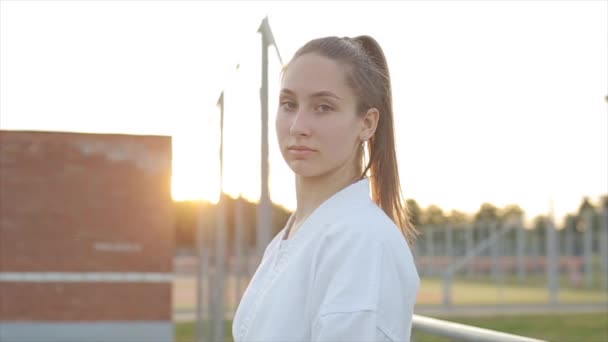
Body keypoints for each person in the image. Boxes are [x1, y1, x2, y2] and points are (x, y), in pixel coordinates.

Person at [232, 35, 420, 342]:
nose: (298, 126)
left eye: (323, 107)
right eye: (289, 104)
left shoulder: (363, 241)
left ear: (367, 123)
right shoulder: (291, 237)